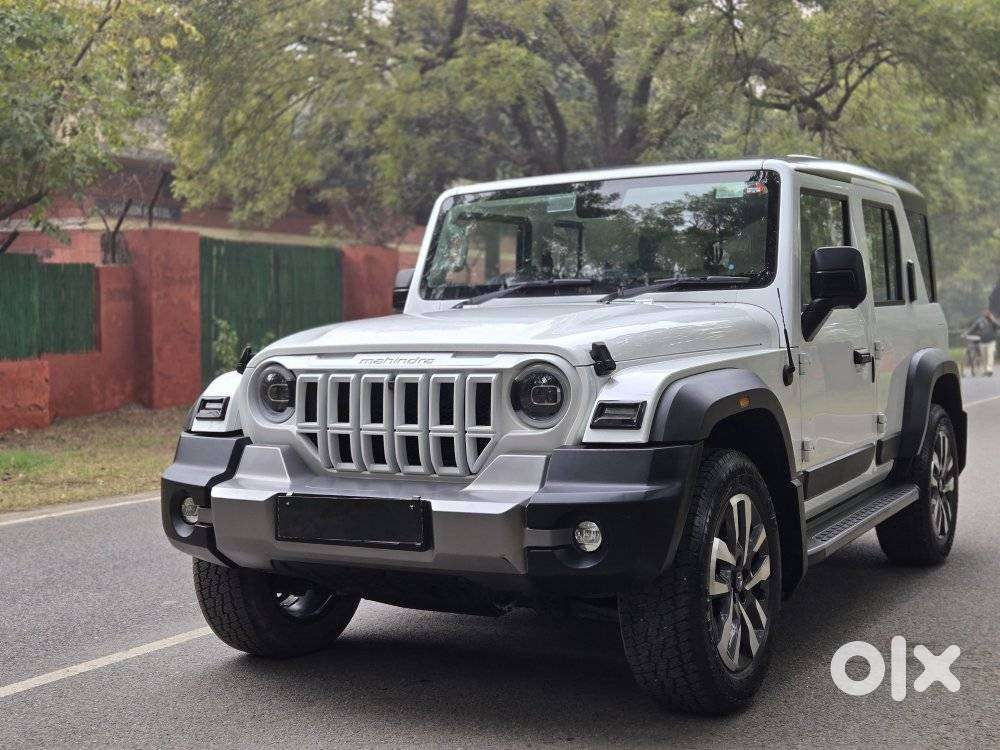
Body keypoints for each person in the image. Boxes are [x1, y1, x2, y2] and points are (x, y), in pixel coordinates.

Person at [967, 309, 998, 376]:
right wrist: (966, 333)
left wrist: (993, 319)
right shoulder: (979, 321)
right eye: (985, 314)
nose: (986, 315)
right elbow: (973, 328)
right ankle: (985, 370)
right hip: (982, 342)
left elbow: (998, 326)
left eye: (988, 314)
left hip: (991, 342)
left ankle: (989, 369)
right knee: (984, 357)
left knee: (990, 355)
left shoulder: (992, 321)